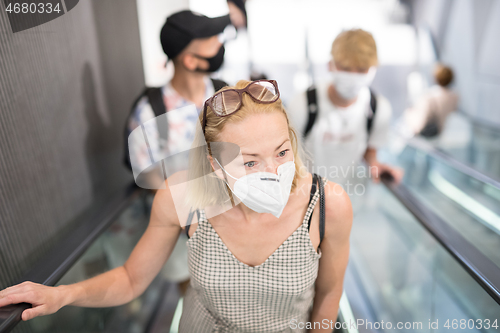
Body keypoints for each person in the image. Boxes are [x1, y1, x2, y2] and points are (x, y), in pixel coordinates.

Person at [0, 80, 353, 333]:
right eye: (250, 162)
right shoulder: (181, 197)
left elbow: (328, 292)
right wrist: (63, 294)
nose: (274, 172)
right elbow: (131, 278)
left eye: (281, 151)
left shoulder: (328, 205)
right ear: (215, 164)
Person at [124, 10, 230, 293]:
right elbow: (148, 179)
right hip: (182, 233)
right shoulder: (148, 113)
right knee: (193, 294)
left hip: (233, 224)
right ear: (190, 59)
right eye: (210, 40)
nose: (220, 45)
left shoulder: (227, 95)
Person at [287, 29, 403, 188]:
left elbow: (370, 151)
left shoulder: (378, 109)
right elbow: (288, 156)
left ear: (373, 69)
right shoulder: (303, 105)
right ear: (331, 65)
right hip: (308, 199)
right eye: (346, 68)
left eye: (362, 70)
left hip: (352, 199)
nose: (353, 76)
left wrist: (376, 165)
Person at [402, 64, 458, 138]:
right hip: (440, 131)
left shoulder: (429, 97)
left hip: (425, 133)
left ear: (436, 78)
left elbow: (420, 124)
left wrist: (409, 115)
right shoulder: (455, 97)